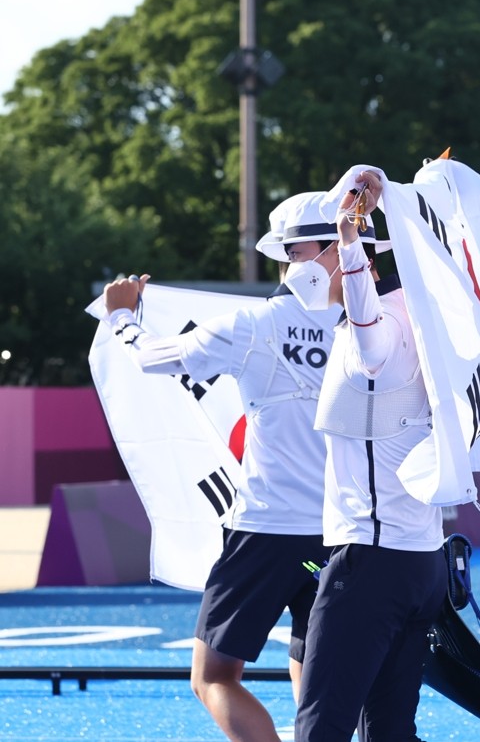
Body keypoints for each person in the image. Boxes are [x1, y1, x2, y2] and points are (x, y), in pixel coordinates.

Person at [101, 190, 379, 742]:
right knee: (316, 676)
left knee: (213, 677)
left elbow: (149, 358)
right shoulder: (376, 332)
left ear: (293, 256)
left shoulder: (252, 325)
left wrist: (121, 318)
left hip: (267, 530)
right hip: (345, 530)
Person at [294, 165, 480, 741]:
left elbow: (367, 327)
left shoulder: (385, 322)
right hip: (419, 563)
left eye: (301, 252)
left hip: (372, 561)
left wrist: (350, 242)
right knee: (388, 734)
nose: (295, 269)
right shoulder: (437, 321)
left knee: (322, 732)